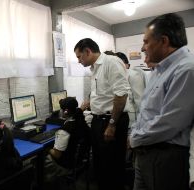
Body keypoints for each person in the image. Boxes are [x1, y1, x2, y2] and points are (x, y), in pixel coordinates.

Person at [129, 13, 194, 190]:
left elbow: (170, 122)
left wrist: (135, 138)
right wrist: (136, 135)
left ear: (164, 41)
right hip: (145, 152)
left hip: (165, 156)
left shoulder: (186, 69)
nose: (143, 48)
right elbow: (146, 110)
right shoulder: (160, 69)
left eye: (146, 42)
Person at [74, 38, 130, 190]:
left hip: (111, 120)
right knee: (100, 165)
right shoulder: (94, 68)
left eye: (79, 57)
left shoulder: (111, 62)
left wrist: (112, 124)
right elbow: (104, 95)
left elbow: (121, 94)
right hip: (99, 121)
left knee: (112, 167)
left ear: (88, 51)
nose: (79, 61)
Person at [44, 97, 91, 188]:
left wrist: (47, 149)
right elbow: (79, 112)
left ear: (65, 111)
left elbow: (57, 154)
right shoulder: (81, 123)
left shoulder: (65, 130)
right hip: (80, 162)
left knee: (39, 159)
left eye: (61, 109)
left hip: (67, 165)